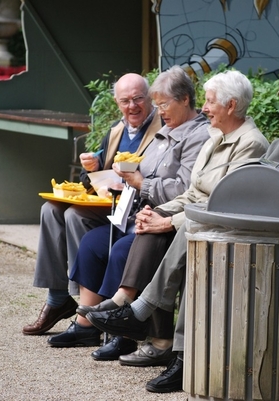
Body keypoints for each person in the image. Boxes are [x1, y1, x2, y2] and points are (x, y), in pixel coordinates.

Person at [87, 72, 279, 393]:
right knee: (191, 230)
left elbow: (273, 190)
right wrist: (164, 213)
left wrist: (181, 217)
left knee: (197, 229)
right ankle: (163, 339)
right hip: (260, 231)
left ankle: (149, 322)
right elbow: (233, 190)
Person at [83, 69, 269, 388]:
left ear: (231, 105)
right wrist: (159, 213)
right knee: (148, 224)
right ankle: (135, 315)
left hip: (225, 228)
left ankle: (145, 323)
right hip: (197, 219)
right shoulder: (215, 136)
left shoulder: (250, 144)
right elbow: (193, 193)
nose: (204, 108)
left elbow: (222, 203)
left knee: (161, 230)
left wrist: (167, 220)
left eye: (210, 102)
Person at [45, 66, 210, 360]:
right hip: (136, 210)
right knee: (92, 243)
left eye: (162, 104)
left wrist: (139, 183)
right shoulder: (167, 129)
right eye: (157, 105)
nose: (158, 110)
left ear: (185, 99)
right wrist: (113, 175)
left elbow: (185, 188)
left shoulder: (196, 135)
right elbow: (142, 172)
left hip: (165, 217)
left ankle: (122, 332)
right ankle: (87, 323)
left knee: (122, 249)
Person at [22, 73, 163, 336]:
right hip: (107, 204)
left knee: (75, 215)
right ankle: (57, 298)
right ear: (117, 103)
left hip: (133, 209)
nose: (132, 106)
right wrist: (93, 166)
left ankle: (85, 305)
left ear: (150, 98)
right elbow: (93, 177)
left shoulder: (161, 129)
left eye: (138, 99)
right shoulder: (115, 130)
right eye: (125, 101)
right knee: (50, 210)